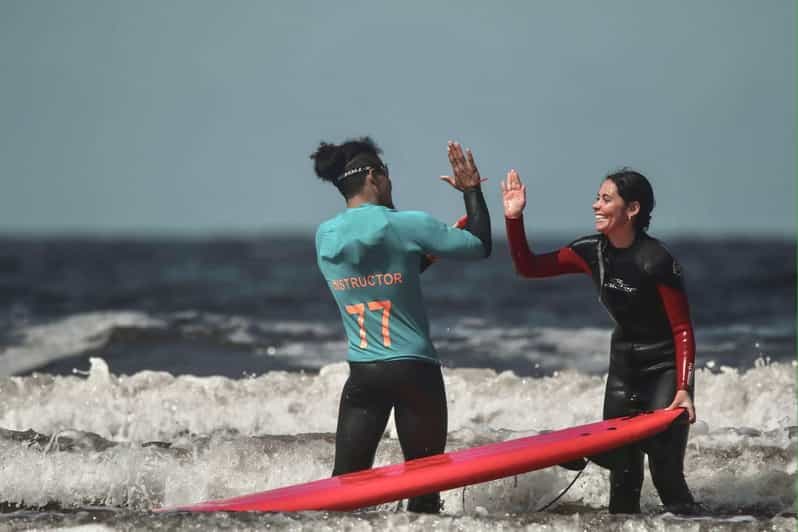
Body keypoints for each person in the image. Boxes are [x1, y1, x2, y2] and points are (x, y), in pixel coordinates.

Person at [501, 167, 698, 514]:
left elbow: (682, 328)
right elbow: (528, 267)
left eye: (606, 199)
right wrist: (514, 218)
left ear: (632, 209)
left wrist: (684, 386)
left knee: (666, 474)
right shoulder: (591, 252)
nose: (596, 205)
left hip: (665, 368)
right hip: (624, 367)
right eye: (597, 197)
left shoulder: (657, 260)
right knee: (623, 477)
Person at [311, 137, 491, 513]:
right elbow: (479, 244)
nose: (392, 185)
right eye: (388, 176)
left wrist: (420, 256)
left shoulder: (325, 236)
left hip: (364, 375)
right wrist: (471, 190)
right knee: (424, 490)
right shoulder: (409, 225)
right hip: (415, 373)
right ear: (374, 177)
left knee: (343, 491)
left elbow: (380, 276)